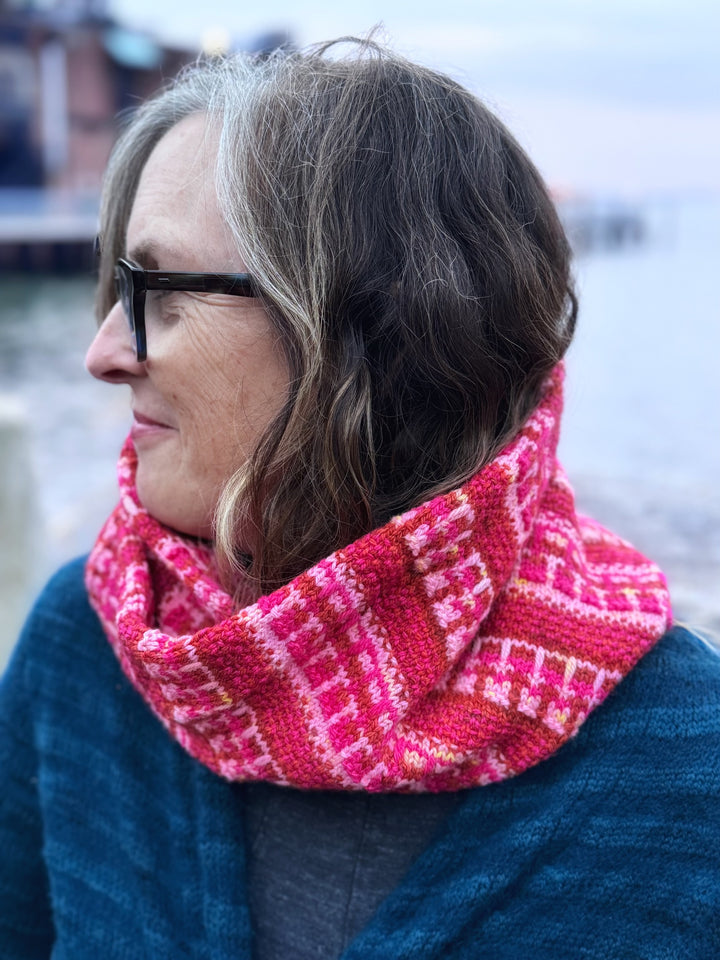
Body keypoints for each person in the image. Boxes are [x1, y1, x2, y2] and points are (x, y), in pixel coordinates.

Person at [1, 38, 719, 960]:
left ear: (367, 330)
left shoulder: (676, 767)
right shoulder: (90, 651)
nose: (102, 354)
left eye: (161, 294)